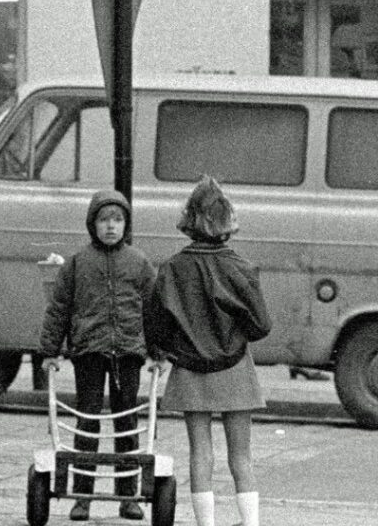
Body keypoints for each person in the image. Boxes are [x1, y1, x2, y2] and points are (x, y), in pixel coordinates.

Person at [143, 177, 271, 526]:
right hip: (235, 368)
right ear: (228, 218)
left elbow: (155, 325)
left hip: (190, 369)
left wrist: (171, 350)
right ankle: (250, 523)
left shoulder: (171, 268)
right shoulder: (241, 267)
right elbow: (261, 326)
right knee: (241, 457)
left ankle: (206, 524)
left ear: (190, 219)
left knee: (201, 453)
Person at [40, 190, 158, 521]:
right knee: (87, 420)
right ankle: (82, 495)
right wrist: (50, 350)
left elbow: (153, 311)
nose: (111, 227)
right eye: (104, 220)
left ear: (126, 224)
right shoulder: (78, 263)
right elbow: (59, 309)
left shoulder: (139, 263)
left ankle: (128, 495)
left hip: (128, 354)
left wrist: (159, 352)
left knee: (127, 422)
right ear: (93, 224)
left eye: (117, 220)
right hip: (89, 351)